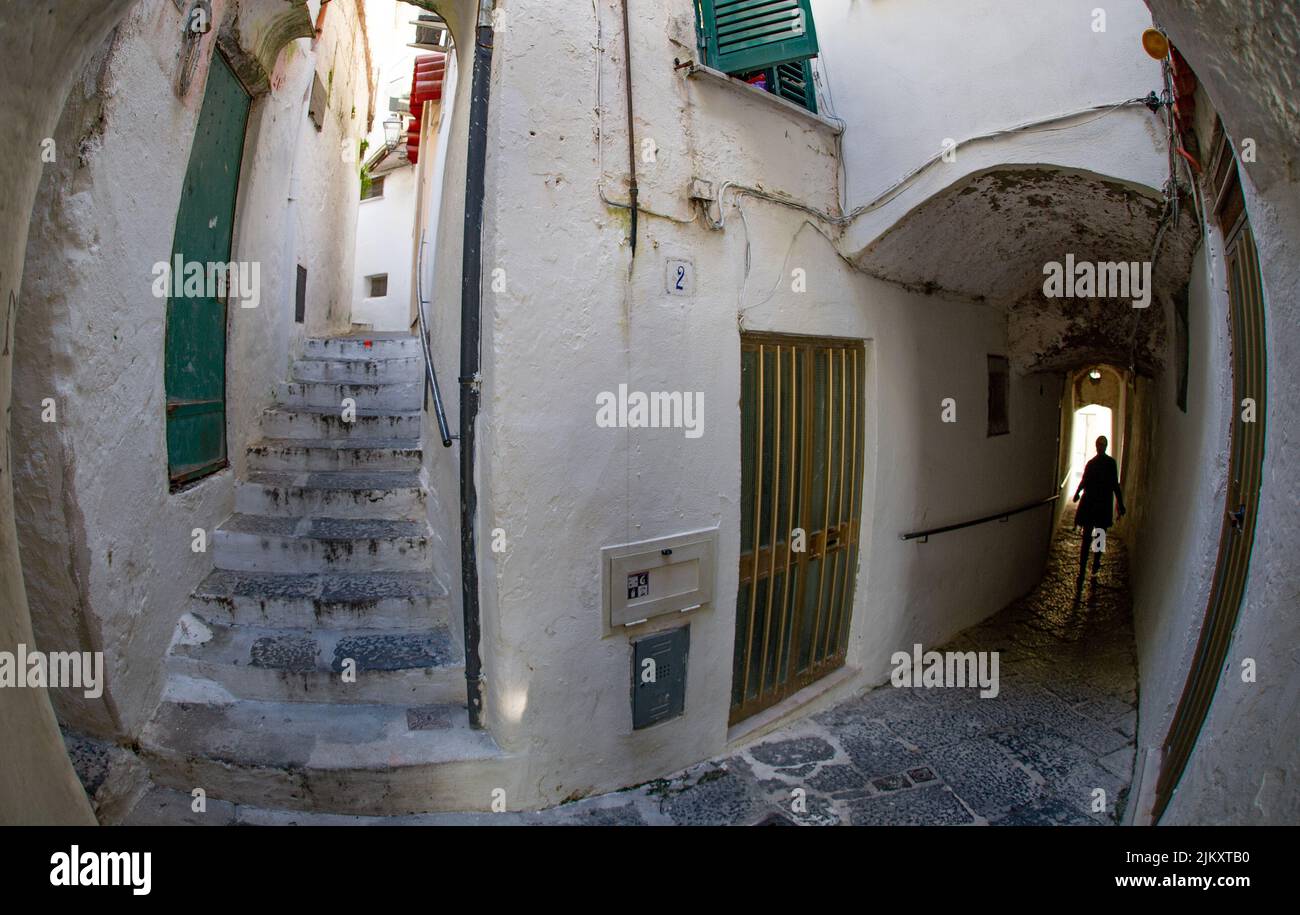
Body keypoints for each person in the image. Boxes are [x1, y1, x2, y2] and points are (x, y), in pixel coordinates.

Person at [1072, 435, 1126, 590]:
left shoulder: (1095, 463)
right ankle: (1090, 564)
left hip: (1093, 504)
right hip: (1099, 505)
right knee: (1095, 535)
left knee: (1095, 536)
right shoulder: (1108, 463)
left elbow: (1112, 484)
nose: (1100, 447)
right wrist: (1077, 492)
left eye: (1101, 444)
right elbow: (1112, 484)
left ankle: (1090, 564)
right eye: (1100, 444)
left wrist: (1078, 493)